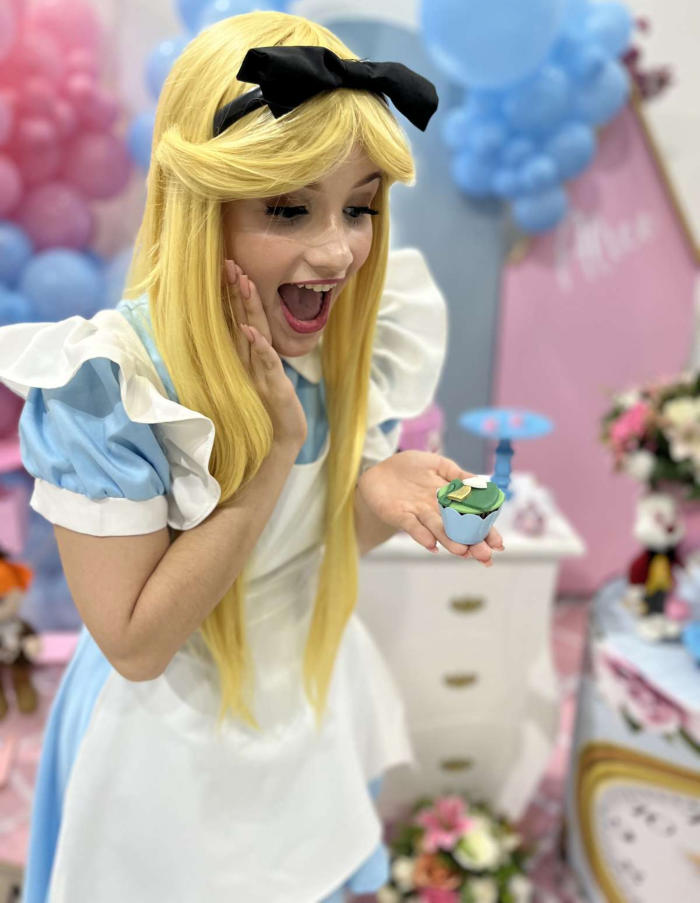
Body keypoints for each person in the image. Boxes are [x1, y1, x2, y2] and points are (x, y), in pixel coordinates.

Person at [0, 11, 503, 903]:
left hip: (297, 705)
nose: (338, 250)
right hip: (165, 748)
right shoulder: (110, 387)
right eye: (288, 208)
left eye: (360, 207)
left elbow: (298, 558)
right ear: (202, 206)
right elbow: (137, 643)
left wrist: (373, 496)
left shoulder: (341, 337)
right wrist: (272, 459)